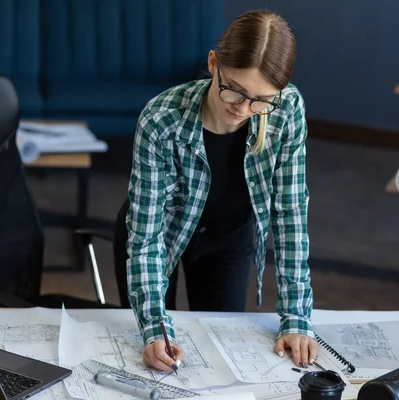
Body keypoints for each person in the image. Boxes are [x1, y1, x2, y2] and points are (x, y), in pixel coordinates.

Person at [124, 9, 317, 373]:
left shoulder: (286, 108)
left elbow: (290, 214)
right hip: (157, 237)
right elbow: (146, 239)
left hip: (229, 239)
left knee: (216, 355)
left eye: (260, 100)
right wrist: (153, 330)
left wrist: (296, 317)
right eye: (234, 92)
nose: (244, 110)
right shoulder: (161, 119)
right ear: (214, 64)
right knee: (153, 356)